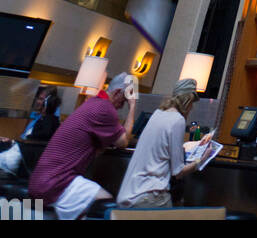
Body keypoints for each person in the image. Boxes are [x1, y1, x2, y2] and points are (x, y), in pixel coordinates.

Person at [29, 73, 136, 219]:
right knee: (106, 204)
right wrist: (132, 106)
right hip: (57, 182)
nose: (122, 105)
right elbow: (123, 142)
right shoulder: (105, 109)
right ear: (117, 92)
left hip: (40, 180)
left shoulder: (92, 103)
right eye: (123, 100)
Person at [116, 78, 205, 210]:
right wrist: (201, 160)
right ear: (187, 101)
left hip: (127, 194)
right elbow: (178, 171)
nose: (192, 108)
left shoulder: (157, 114)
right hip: (148, 196)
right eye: (192, 103)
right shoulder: (178, 120)